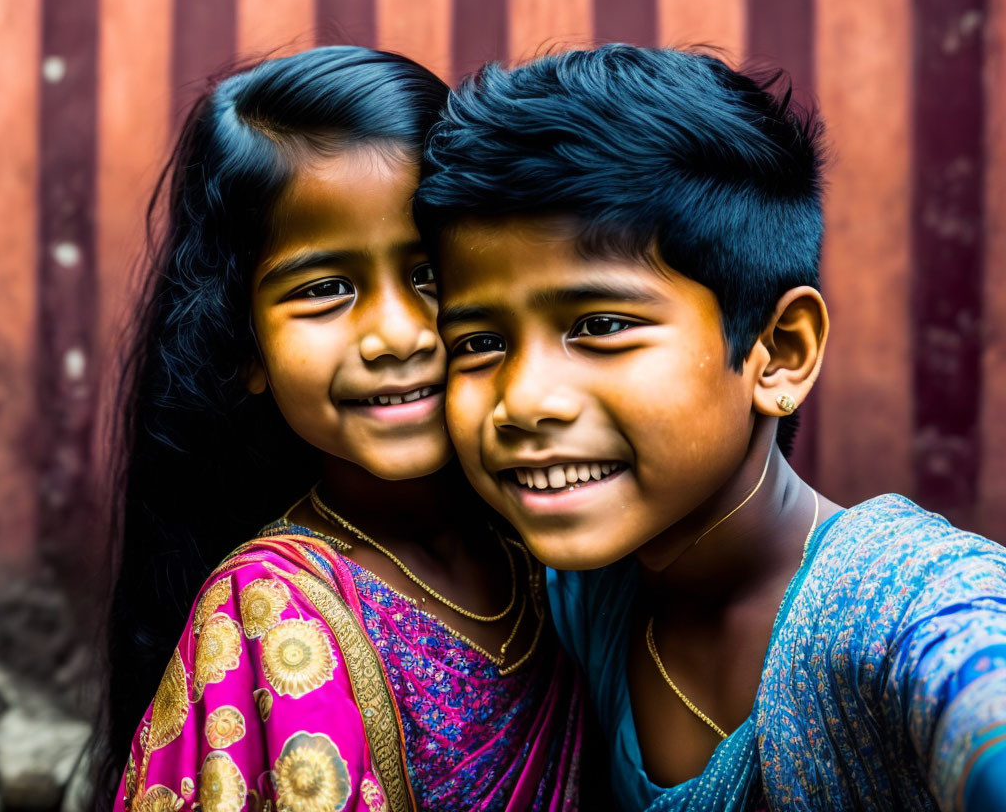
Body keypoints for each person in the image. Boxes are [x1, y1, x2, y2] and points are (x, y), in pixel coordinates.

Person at [412, 44, 1006, 810]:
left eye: (599, 325)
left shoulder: (896, 604)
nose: (524, 401)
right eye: (480, 343)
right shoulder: (563, 601)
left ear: (780, 353)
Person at [94, 46, 582, 812]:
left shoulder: (559, 542)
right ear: (245, 345)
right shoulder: (269, 615)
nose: (395, 335)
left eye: (432, 276)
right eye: (325, 290)